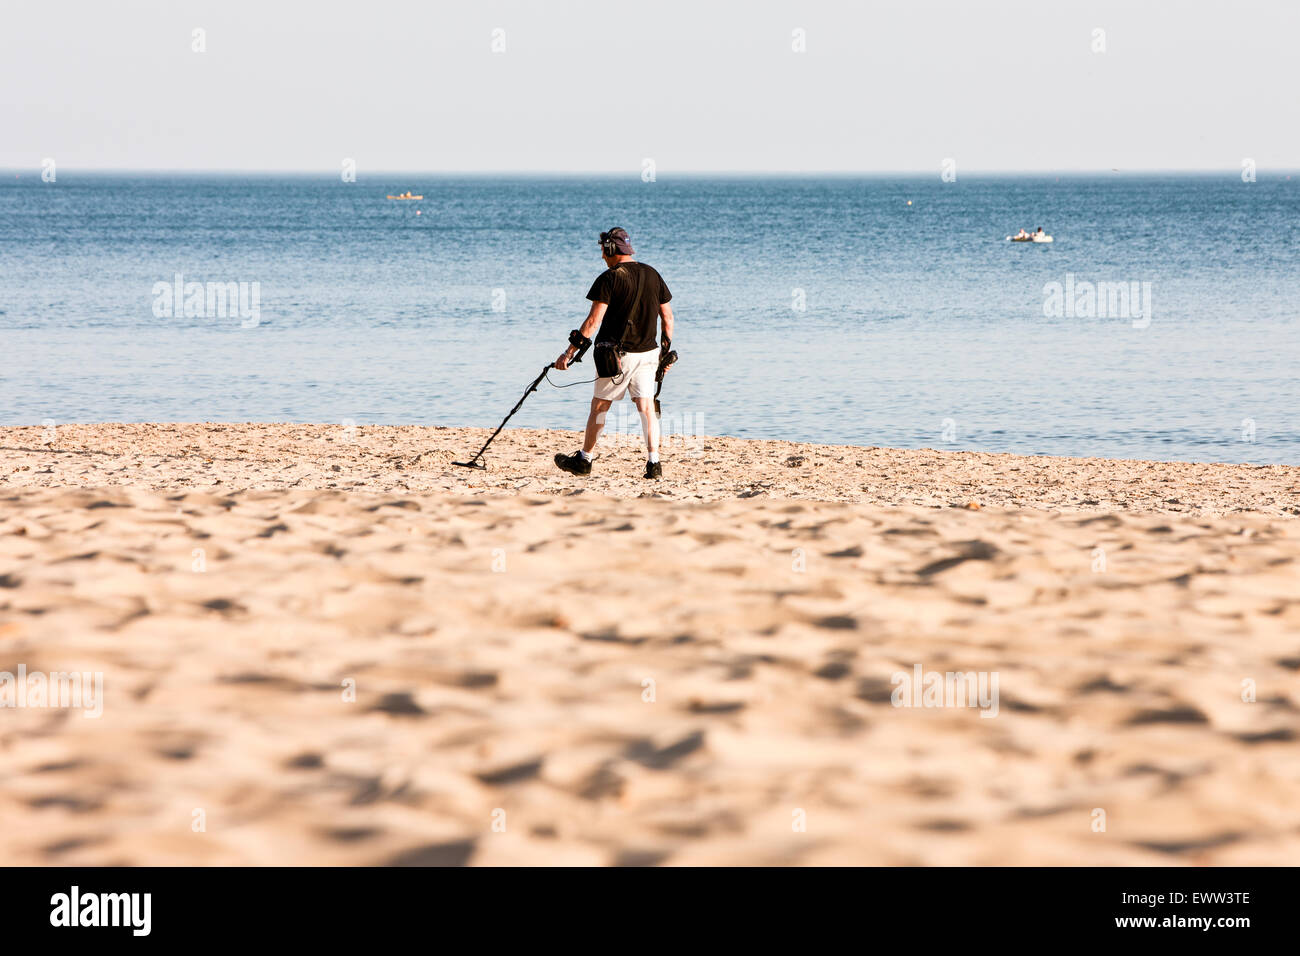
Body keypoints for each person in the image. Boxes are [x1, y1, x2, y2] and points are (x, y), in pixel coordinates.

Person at [553, 227, 674, 479]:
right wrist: (664, 354)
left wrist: (568, 353)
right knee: (647, 408)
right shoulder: (653, 274)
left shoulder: (609, 278)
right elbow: (668, 318)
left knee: (599, 407)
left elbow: (592, 322)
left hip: (616, 358)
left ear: (610, 249)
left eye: (602, 251)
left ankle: (584, 460)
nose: (601, 257)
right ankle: (654, 464)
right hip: (649, 354)